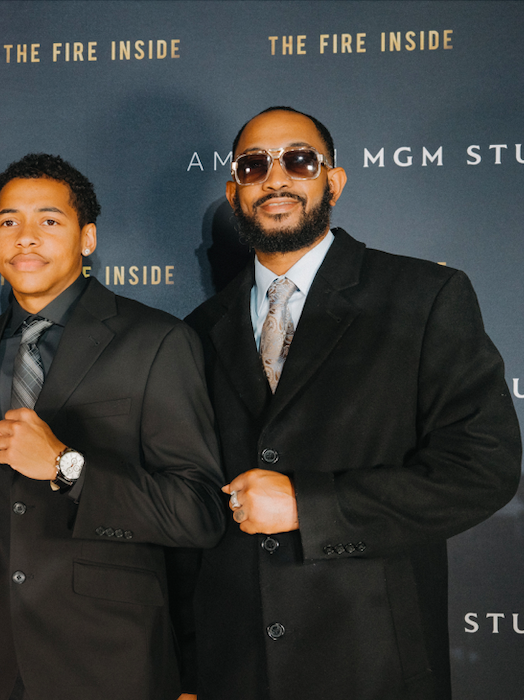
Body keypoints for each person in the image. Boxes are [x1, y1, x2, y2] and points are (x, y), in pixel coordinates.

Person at [185, 106, 522, 700]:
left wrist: (309, 507)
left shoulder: (424, 296)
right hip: (233, 671)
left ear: (333, 182)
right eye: (254, 165)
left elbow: (482, 471)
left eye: (299, 160)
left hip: (375, 665)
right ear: (235, 191)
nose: (277, 178)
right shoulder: (197, 329)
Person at [0, 153, 227, 700]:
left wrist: (65, 466)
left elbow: (198, 511)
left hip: (110, 660)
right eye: (9, 220)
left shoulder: (156, 341)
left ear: (88, 238)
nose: (25, 237)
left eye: (48, 220)